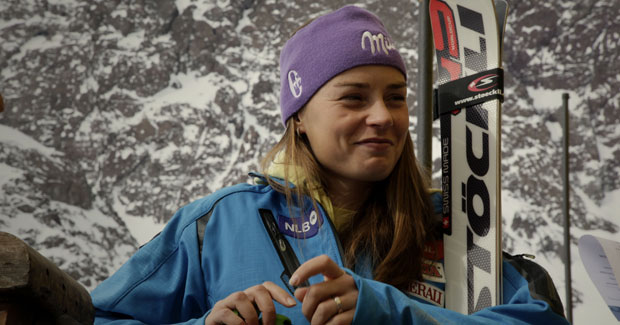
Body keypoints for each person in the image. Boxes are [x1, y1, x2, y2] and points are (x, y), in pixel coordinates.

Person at [91, 5, 568, 325]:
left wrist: (386, 313)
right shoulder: (216, 226)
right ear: (299, 118)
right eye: (354, 98)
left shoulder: (450, 230)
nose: (382, 116)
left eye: (396, 98)